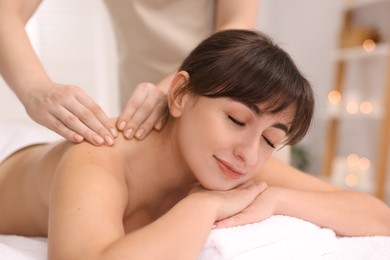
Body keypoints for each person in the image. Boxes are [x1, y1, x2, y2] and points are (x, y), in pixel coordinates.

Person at [0, 30, 389, 259]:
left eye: (271, 139)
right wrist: (203, 204)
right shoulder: (98, 156)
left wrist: (279, 199)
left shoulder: (237, 160)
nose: (250, 153)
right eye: (237, 120)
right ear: (181, 94)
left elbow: (377, 217)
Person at [0, 0, 259, 146]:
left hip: (230, 103)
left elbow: (236, 25)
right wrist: (36, 90)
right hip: (143, 117)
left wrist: (177, 87)